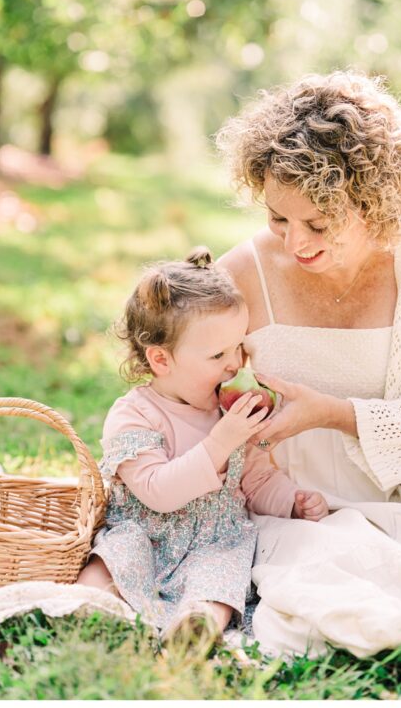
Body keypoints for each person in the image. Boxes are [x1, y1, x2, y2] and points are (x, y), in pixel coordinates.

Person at [213, 70, 401, 657]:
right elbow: (179, 387)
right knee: (319, 591)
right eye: (277, 218)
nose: (294, 244)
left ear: (377, 203)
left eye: (319, 223)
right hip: (296, 502)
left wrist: (334, 414)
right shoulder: (240, 276)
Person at [77, 248, 328, 642]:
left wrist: (291, 501)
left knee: (223, 578)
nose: (234, 365)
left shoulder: (231, 413)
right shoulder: (134, 415)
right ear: (161, 360)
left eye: (237, 348)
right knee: (110, 560)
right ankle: (89, 611)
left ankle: (196, 627)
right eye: (217, 354)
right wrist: (220, 442)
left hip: (214, 541)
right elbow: (157, 491)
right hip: (146, 533)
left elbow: (257, 480)